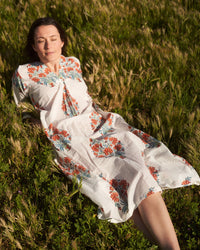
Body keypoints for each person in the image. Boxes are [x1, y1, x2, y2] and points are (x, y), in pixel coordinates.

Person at [12, 17, 200, 249]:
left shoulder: (73, 63)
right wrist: (30, 123)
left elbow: (85, 99)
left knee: (139, 169)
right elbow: (18, 108)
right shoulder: (24, 73)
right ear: (33, 46)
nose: (48, 46)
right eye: (41, 41)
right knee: (112, 180)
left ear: (62, 41)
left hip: (99, 124)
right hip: (68, 136)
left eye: (53, 39)